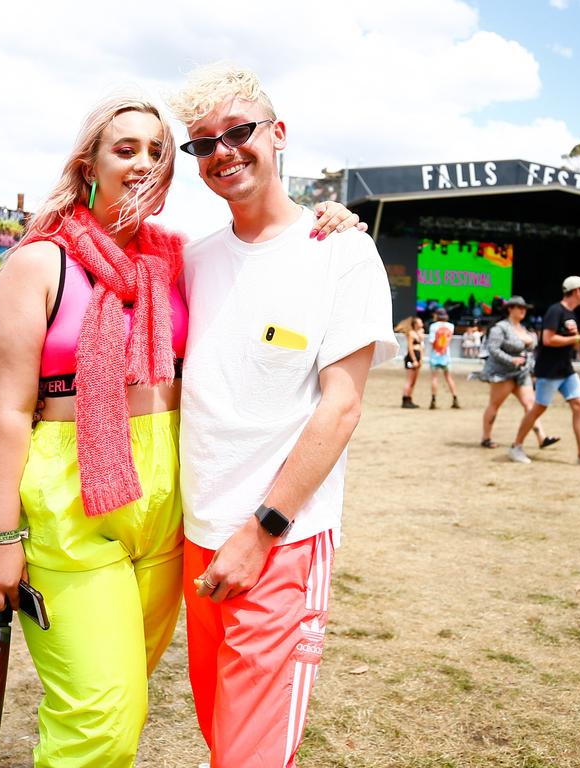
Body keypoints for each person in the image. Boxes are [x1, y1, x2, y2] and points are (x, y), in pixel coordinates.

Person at [0, 94, 360, 768]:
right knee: (103, 717)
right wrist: (1, 538)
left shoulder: (175, 258)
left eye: (158, 150)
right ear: (87, 163)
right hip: (73, 494)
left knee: (126, 693)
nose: (145, 162)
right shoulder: (38, 264)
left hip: (169, 495)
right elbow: (8, 412)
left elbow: (260, 253)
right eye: (126, 149)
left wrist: (329, 220)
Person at [167, 64, 399, 768]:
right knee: (220, 729)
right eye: (202, 144)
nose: (223, 152)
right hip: (197, 538)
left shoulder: (342, 254)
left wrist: (261, 533)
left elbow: (343, 405)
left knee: (249, 755)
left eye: (239, 132)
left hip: (280, 544)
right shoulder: (192, 260)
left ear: (278, 134)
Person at [507, 276, 580, 465]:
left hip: (565, 368)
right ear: (576, 291)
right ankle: (516, 447)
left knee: (579, 405)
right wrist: (578, 339)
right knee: (539, 408)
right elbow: (548, 339)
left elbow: (569, 342)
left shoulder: (572, 315)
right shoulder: (556, 311)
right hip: (549, 369)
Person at [477, 295, 559, 450]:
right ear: (510, 309)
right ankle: (486, 438)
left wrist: (531, 368)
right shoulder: (499, 328)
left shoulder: (525, 329)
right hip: (502, 373)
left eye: (525, 308)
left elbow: (530, 352)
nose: (523, 311)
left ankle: (542, 437)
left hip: (521, 373)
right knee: (495, 404)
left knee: (531, 404)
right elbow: (493, 349)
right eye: (520, 308)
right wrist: (511, 360)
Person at [427, 306, 460, 409]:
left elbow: (432, 341)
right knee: (448, 378)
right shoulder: (451, 326)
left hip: (435, 355)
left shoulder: (433, 326)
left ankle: (433, 399)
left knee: (434, 378)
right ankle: (455, 398)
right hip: (446, 355)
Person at [395, 315, 425, 408]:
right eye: (419, 322)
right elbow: (410, 348)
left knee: (414, 381)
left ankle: (409, 398)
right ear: (415, 324)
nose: (421, 323)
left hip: (418, 356)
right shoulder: (411, 333)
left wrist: (420, 359)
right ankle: (405, 399)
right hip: (412, 357)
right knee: (409, 380)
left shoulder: (419, 333)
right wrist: (414, 360)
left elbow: (421, 347)